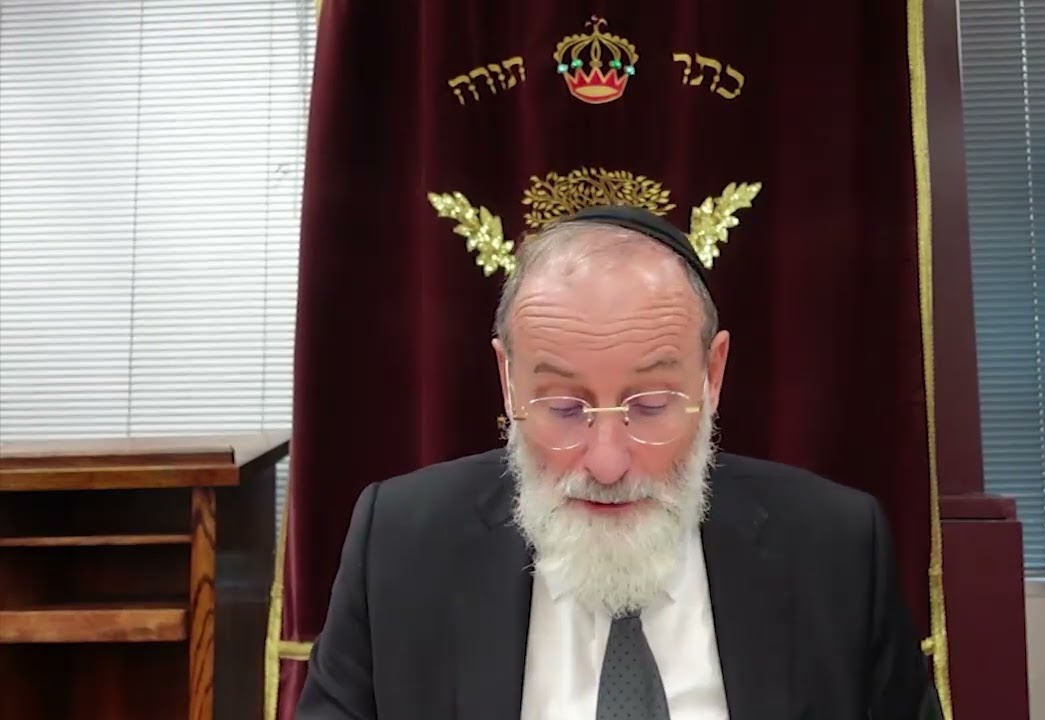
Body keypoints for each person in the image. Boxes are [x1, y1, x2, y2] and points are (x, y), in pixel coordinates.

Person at [296, 206, 944, 720]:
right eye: (563, 407)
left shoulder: (836, 550)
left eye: (652, 405)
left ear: (712, 375)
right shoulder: (400, 546)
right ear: (508, 381)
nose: (607, 464)